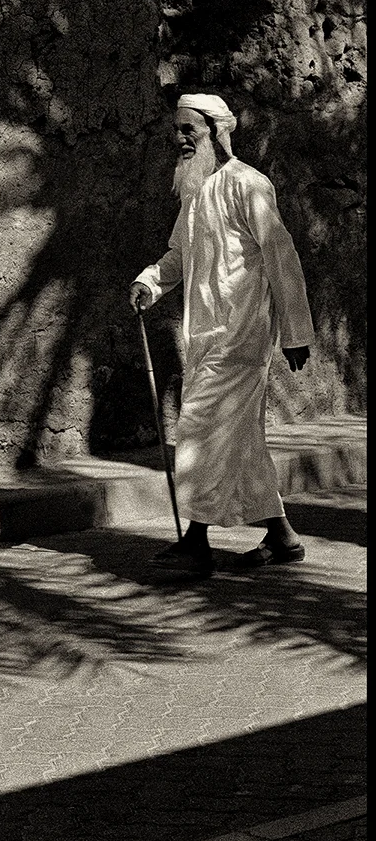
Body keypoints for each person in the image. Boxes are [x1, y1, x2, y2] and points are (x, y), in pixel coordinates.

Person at [129, 92, 314, 578]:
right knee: (240, 441)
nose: (180, 139)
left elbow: (282, 256)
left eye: (189, 129)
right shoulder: (194, 193)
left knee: (200, 429)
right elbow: (177, 257)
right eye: (177, 130)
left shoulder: (249, 185)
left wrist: (296, 331)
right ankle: (282, 536)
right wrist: (149, 282)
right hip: (206, 337)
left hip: (242, 335)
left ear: (217, 130)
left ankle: (195, 543)